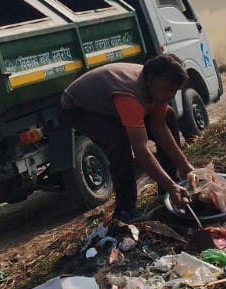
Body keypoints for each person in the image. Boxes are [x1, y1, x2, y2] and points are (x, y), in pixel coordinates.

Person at [60, 53, 195, 221]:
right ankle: (125, 210)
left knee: (169, 116)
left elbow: (160, 128)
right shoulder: (130, 95)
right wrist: (171, 186)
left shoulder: (158, 88)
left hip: (111, 100)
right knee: (119, 141)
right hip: (78, 107)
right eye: (168, 90)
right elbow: (140, 149)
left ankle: (168, 191)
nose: (171, 95)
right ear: (150, 80)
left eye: (175, 91)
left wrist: (185, 165)